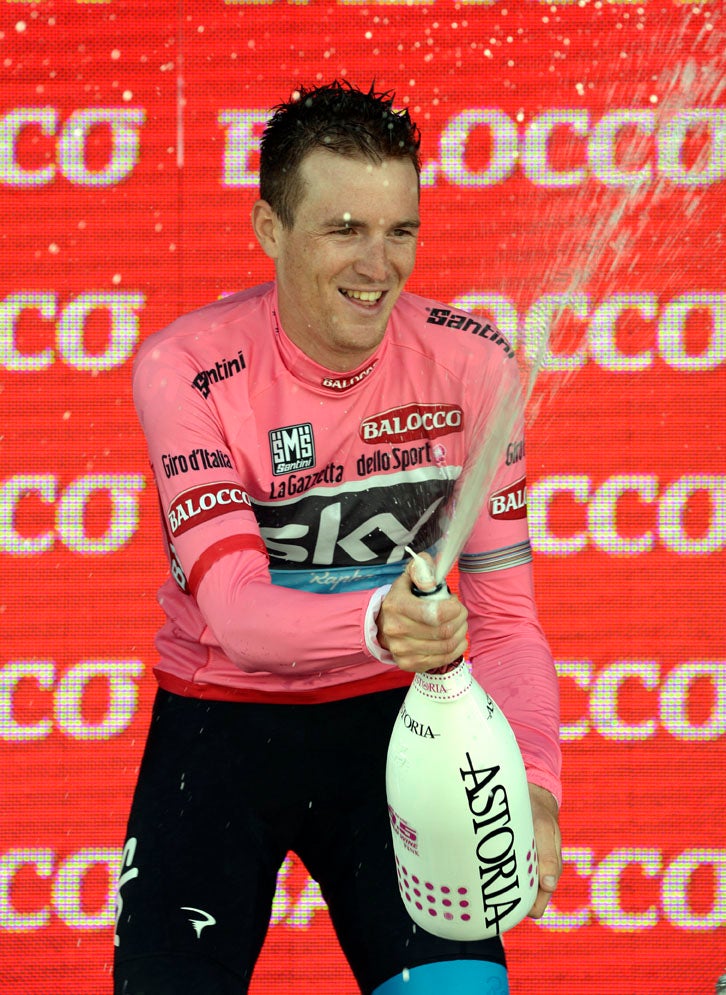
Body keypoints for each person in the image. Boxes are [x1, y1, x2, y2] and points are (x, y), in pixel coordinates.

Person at [114, 80, 562, 995]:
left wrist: (538, 791)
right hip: (220, 720)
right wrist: (381, 622)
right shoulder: (187, 368)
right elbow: (235, 611)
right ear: (269, 230)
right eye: (345, 228)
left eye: (401, 230)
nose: (379, 264)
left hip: (399, 730)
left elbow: (508, 620)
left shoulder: (476, 367)